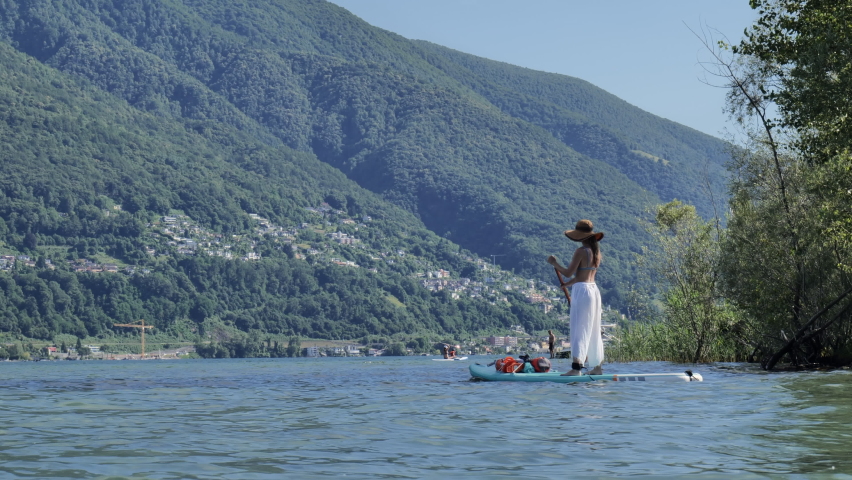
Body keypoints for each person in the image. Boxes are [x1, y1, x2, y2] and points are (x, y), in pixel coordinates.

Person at [546, 219, 604, 376]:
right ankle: (597, 367)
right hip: (593, 290)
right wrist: (567, 284)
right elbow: (583, 275)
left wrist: (554, 263)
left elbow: (568, 272)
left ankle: (576, 368)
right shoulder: (596, 253)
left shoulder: (580, 251)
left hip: (582, 292)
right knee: (592, 328)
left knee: (579, 328)